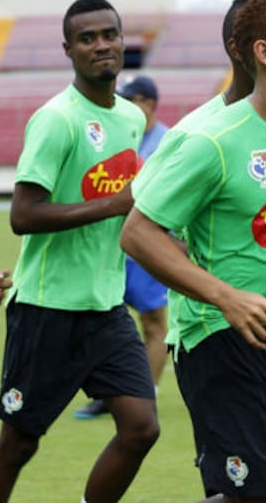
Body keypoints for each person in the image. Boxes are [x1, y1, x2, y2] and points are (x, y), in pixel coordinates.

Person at [120, 0, 266, 503]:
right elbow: (138, 231)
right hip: (218, 339)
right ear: (264, 53)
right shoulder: (210, 140)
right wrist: (227, 297)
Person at [0, 0, 158, 503]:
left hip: (105, 306)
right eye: (88, 38)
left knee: (141, 428)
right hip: (47, 309)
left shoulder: (130, 119)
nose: (102, 45)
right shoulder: (56, 119)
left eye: (110, 35)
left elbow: (132, 206)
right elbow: (23, 215)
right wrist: (115, 204)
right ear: (68, 50)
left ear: (124, 42)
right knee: (19, 442)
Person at [75, 74, 170, 419]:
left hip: (149, 244)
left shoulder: (167, 142)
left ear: (147, 104)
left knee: (154, 322)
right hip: (112, 245)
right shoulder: (118, 136)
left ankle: (145, 396)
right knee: (104, 320)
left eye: (129, 99)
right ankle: (112, 394)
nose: (121, 106)